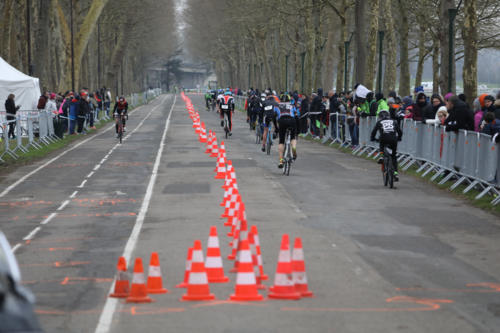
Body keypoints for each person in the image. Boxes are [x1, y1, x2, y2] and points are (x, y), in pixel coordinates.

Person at [370, 109, 403, 181]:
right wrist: (399, 138)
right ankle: (395, 173)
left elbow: (373, 132)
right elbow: (400, 131)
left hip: (384, 138)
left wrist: (372, 138)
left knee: (381, 142)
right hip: (393, 139)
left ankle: (381, 156)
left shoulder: (379, 122)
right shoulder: (394, 121)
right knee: (393, 156)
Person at [277, 102, 299, 168]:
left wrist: (276, 128)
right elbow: (296, 116)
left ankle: (281, 161)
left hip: (282, 121)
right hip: (291, 121)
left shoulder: (278, 105)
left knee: (281, 141)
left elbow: (275, 115)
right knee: (293, 137)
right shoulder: (292, 105)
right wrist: (297, 130)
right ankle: (294, 148)